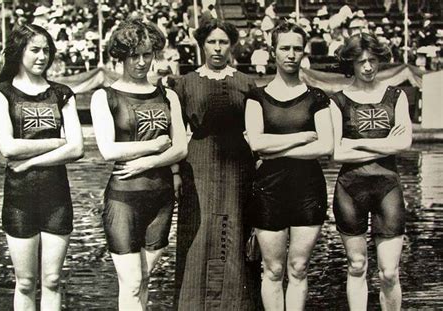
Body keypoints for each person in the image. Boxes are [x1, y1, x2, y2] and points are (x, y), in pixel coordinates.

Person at [90, 18, 187, 311]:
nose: (143, 62)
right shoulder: (104, 96)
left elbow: (181, 147)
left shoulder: (167, 95)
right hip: (123, 199)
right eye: (135, 55)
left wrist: (147, 162)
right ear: (120, 56)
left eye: (148, 54)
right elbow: (108, 150)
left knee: (143, 280)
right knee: (132, 283)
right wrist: (155, 145)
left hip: (160, 198)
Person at [0, 24, 84, 310]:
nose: (43, 56)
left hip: (57, 198)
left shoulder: (62, 93)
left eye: (47, 50)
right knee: (26, 282)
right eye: (35, 50)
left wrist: (30, 160)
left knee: (53, 280)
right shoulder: (1, 93)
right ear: (19, 52)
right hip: (19, 199)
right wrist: (58, 142)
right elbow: (8, 147)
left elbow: (77, 148)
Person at [169, 19, 259, 310]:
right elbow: (176, 133)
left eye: (223, 42)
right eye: (212, 42)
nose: (218, 48)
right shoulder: (185, 83)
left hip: (238, 167)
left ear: (232, 46)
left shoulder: (246, 83)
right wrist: (175, 173)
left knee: (233, 230)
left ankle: (235, 304)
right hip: (198, 165)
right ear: (202, 45)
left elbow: (255, 131)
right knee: (201, 232)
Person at [244, 21, 334, 311]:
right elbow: (257, 145)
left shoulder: (317, 97)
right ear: (273, 51)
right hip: (268, 191)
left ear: (304, 52)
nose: (291, 54)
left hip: (307, 192)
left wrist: (277, 148)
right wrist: (301, 137)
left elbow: (326, 147)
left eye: (297, 48)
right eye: (285, 48)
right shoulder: (256, 96)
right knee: (272, 270)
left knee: (298, 268)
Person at [330, 33, 412, 311]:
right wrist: (386, 144)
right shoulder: (337, 100)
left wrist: (358, 141)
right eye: (361, 61)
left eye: (373, 60)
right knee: (356, 266)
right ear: (350, 64)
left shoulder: (396, 95)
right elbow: (337, 152)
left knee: (389, 272)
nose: (367, 67)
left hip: (387, 188)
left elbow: (404, 143)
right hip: (349, 190)